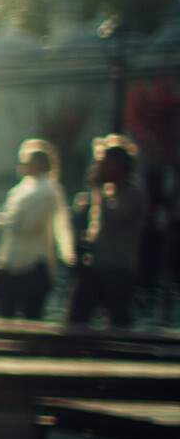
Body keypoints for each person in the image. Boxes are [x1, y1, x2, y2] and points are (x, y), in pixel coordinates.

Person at [0, 138, 74, 321]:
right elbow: (2, 218)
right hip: (12, 259)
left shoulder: (47, 190)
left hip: (34, 261)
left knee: (30, 314)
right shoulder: (21, 190)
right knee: (5, 309)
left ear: (38, 165)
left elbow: (31, 224)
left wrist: (67, 253)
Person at [68, 135, 150, 330]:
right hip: (95, 266)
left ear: (118, 165)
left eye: (104, 162)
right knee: (76, 319)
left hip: (117, 269)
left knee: (119, 324)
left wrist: (97, 190)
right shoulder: (106, 192)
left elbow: (114, 216)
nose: (99, 167)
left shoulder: (134, 193)